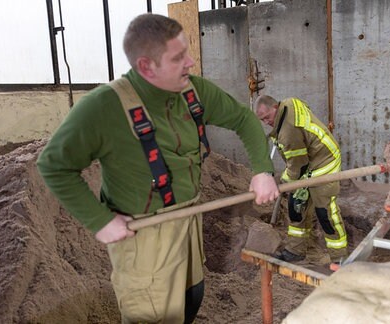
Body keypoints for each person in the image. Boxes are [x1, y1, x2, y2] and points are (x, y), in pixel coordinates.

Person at [37, 13, 280, 324]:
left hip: (188, 219)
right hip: (142, 235)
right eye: (179, 57)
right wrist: (99, 220)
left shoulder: (194, 91)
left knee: (192, 298)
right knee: (153, 316)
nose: (191, 63)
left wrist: (261, 169)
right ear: (146, 66)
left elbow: (243, 120)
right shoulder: (103, 107)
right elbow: (54, 165)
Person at [254, 95, 348, 264]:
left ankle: (339, 258)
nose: (266, 122)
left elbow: (298, 166)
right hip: (308, 161)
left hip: (325, 161)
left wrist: (283, 184)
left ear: (275, 107)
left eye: (267, 117)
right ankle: (295, 251)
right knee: (296, 207)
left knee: (325, 212)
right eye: (262, 120)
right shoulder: (289, 103)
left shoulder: (288, 133)